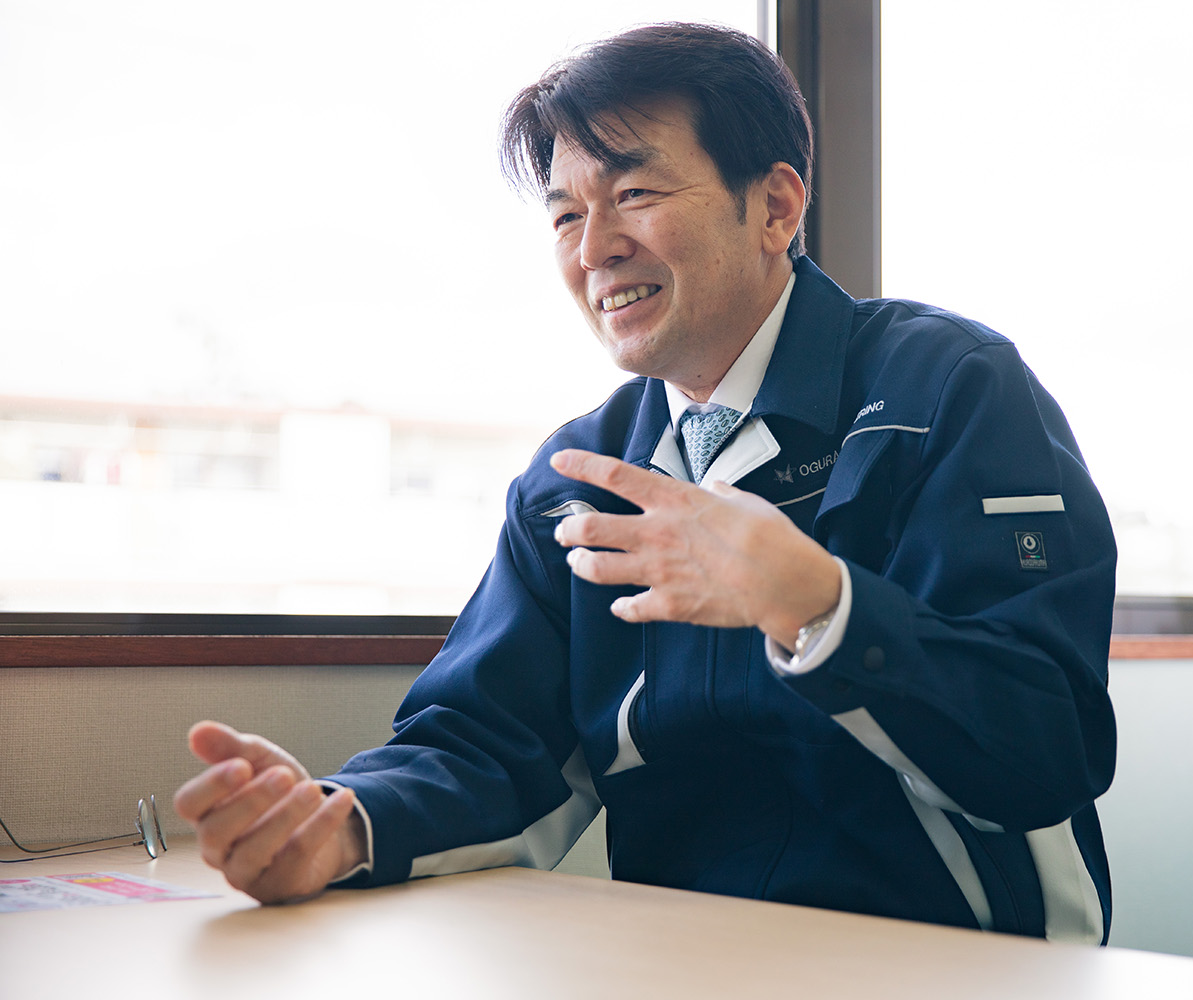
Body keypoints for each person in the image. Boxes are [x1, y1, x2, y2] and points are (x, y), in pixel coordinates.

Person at [174, 22, 1118, 943]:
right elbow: (485, 744)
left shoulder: (948, 390)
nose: (594, 249)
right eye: (566, 216)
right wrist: (338, 826)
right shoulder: (576, 480)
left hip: (955, 962)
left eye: (633, 193)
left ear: (776, 208)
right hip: (682, 960)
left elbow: (1051, 744)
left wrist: (816, 603)